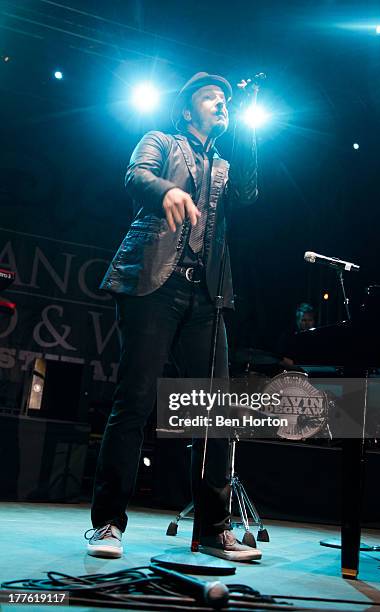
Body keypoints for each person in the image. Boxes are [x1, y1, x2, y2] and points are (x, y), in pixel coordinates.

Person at [85, 72, 261, 562]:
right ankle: (107, 525)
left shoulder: (225, 163)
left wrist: (247, 124)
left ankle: (212, 528)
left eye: (225, 99)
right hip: (152, 283)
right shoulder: (159, 139)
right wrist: (165, 189)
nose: (221, 103)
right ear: (187, 110)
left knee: (216, 412)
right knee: (136, 400)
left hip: (207, 295)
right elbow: (134, 176)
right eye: (211, 98)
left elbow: (248, 191)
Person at [276, 302, 316, 367]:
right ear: (298, 320)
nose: (307, 323)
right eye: (304, 320)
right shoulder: (287, 336)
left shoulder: (316, 337)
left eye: (310, 320)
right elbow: (279, 358)